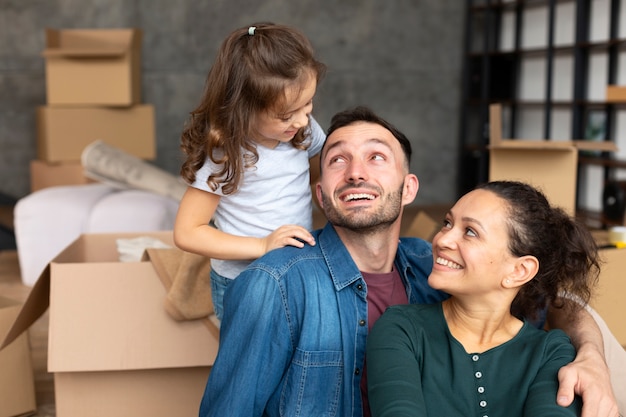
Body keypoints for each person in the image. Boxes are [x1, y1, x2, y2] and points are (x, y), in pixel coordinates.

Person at [198, 106, 618, 417]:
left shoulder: (432, 266)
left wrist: (591, 357)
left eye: (376, 157)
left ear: (408, 188)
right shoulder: (276, 283)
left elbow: (553, 300)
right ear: (321, 195)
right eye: (337, 159)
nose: (355, 173)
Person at [366, 180, 601, 417]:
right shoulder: (401, 330)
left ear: (519, 271)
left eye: (470, 232)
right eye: (447, 223)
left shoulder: (550, 352)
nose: (441, 240)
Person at [173, 22, 327, 320]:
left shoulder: (302, 133)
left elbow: (315, 177)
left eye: (307, 104)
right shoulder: (225, 155)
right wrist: (261, 245)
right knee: (249, 358)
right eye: (286, 115)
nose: (302, 121)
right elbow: (187, 232)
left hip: (296, 269)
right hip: (241, 280)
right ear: (242, 109)